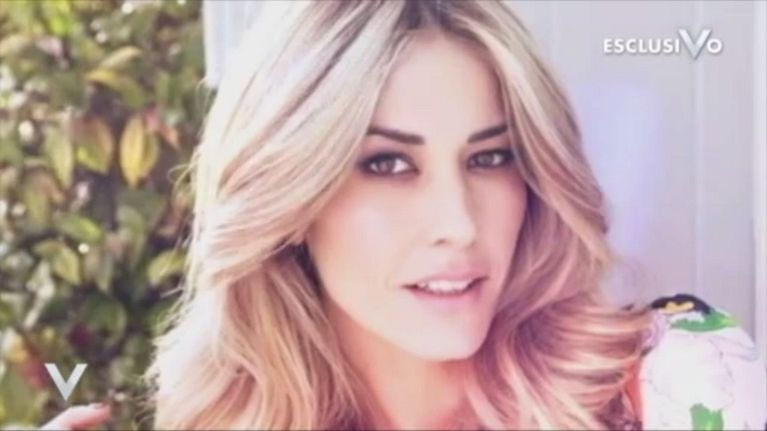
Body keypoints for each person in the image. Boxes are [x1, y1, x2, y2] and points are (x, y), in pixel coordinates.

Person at [43, 1, 766, 430]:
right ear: (291, 193)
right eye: (387, 164)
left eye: (490, 157)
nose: (459, 222)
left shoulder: (679, 384)